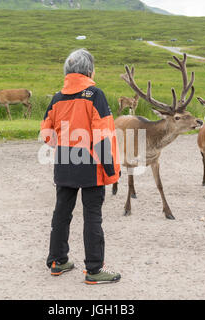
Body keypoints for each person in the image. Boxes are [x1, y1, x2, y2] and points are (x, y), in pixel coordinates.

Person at [40, 49, 121, 284]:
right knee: (92, 216)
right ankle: (94, 270)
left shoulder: (57, 98)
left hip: (65, 162)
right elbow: (103, 137)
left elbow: (46, 133)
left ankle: (57, 261)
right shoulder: (95, 95)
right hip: (91, 165)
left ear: (67, 71)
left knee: (62, 212)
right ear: (89, 71)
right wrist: (111, 170)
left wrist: (63, 146)